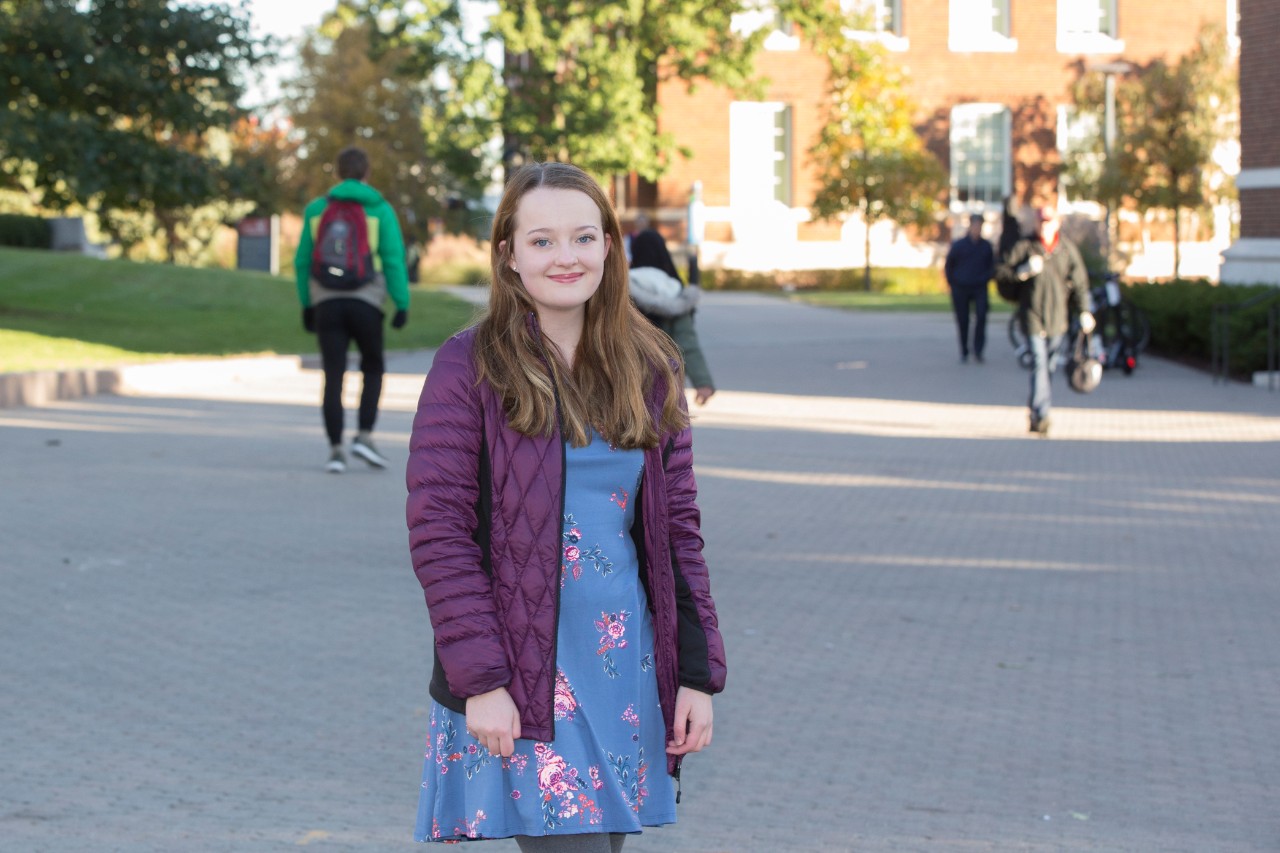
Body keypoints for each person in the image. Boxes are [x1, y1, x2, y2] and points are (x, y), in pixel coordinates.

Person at [405, 162, 726, 850]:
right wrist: (482, 680)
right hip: (522, 672)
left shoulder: (650, 365)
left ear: (609, 247)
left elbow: (678, 537)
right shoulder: (469, 366)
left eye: (583, 237)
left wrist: (695, 675)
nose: (566, 257)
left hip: (625, 663)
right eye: (542, 240)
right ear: (509, 254)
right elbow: (440, 533)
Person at [294, 146, 410, 473]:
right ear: (366, 173)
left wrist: (307, 303)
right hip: (367, 301)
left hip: (326, 301)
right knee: (372, 366)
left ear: (337, 173)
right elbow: (392, 259)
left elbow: (302, 260)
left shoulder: (317, 209)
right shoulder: (380, 210)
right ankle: (364, 435)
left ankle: (335, 451)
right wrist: (401, 303)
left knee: (333, 373)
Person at [999, 205, 1095, 436]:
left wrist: (1084, 311)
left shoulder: (1065, 250)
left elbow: (1080, 283)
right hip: (1032, 317)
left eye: (1048, 221)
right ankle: (1042, 415)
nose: (1044, 226)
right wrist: (1023, 271)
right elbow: (1002, 273)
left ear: (1057, 223)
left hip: (1057, 319)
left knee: (1049, 366)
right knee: (1039, 364)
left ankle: (1036, 409)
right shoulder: (1024, 247)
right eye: (1041, 221)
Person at [629, 229, 716, 405]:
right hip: (667, 382)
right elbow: (687, 342)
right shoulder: (674, 290)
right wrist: (703, 382)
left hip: (627, 379)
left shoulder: (621, 287)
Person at [943, 213, 995, 363]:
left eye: (979, 226)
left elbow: (992, 266)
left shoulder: (986, 246)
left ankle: (978, 350)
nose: (977, 229)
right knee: (963, 320)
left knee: (981, 316)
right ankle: (964, 350)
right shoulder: (959, 245)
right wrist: (953, 282)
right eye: (975, 225)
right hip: (961, 287)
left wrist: (986, 277)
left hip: (979, 287)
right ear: (970, 226)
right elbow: (949, 265)